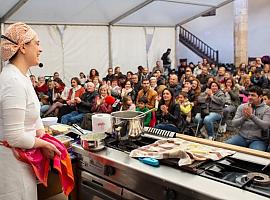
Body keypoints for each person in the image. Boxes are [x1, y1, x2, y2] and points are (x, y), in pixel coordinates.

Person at [0, 22, 60, 200]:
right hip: (12, 167)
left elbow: (33, 114)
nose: (40, 49)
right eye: (37, 43)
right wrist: (44, 144)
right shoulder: (12, 81)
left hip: (22, 159)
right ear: (23, 47)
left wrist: (42, 134)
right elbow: (14, 136)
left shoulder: (23, 76)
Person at [226, 86, 270, 151]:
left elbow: (265, 126)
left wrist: (251, 116)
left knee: (256, 157)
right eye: (249, 95)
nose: (249, 97)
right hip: (241, 137)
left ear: (260, 97)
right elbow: (234, 123)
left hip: (258, 140)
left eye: (253, 95)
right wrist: (244, 117)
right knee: (225, 147)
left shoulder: (267, 109)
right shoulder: (242, 106)